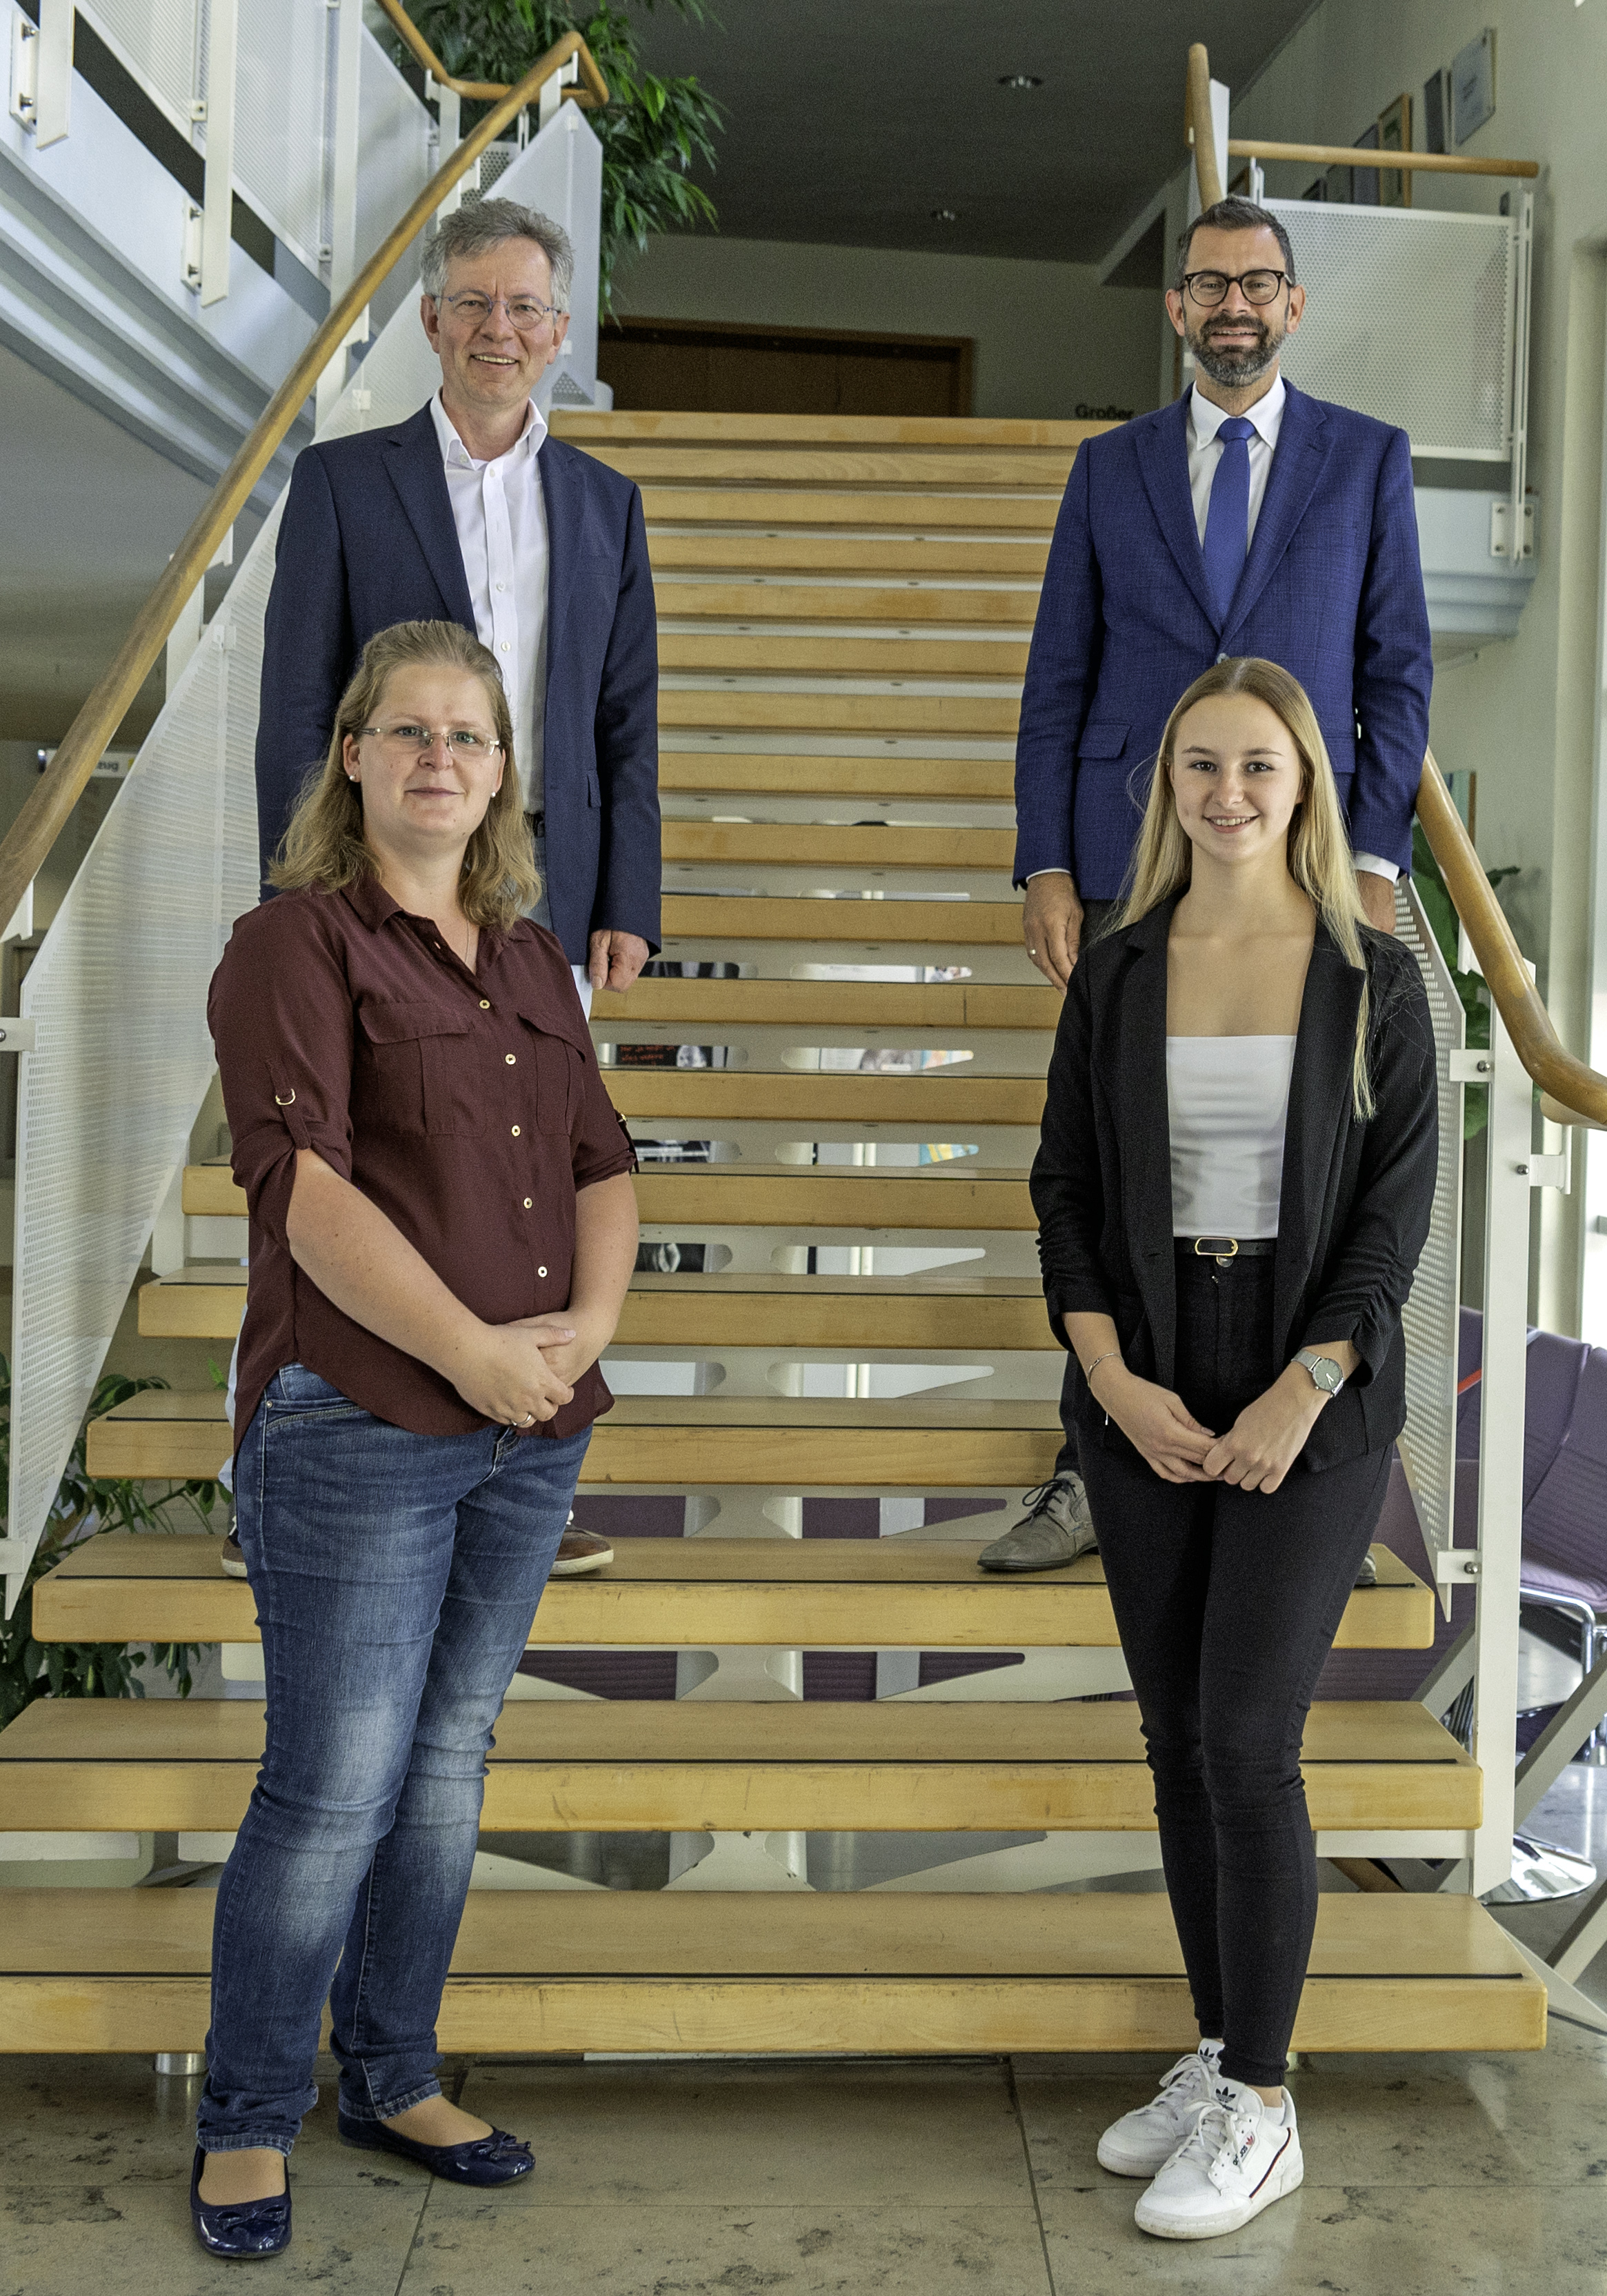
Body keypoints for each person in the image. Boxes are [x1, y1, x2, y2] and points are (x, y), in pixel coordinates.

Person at [191, 620, 639, 2259]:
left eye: (470, 735)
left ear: (502, 771)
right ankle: (245, 2115)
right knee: (330, 1787)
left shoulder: (528, 960)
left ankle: (388, 2072)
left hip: (529, 1428)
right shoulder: (289, 944)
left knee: (445, 1769)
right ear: (353, 757)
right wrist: (472, 1354)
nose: (441, 758)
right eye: (408, 732)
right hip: (362, 1422)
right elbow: (303, 1197)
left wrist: (580, 1341)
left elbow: (602, 1158)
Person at [1030, 656, 1437, 2240]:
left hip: (1306, 1406)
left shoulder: (1369, 973)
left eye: (1255, 765)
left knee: (1248, 1741)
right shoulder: (1120, 968)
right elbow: (1060, 1186)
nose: (1225, 791)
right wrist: (1108, 1376)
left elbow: (1391, 1212)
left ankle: (1261, 2103)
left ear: (1301, 785)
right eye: (1198, 764)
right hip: (1143, 1396)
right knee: (1176, 1742)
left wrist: (1304, 1389)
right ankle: (1214, 2049)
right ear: (1167, 785)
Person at [984, 193, 1432, 1575]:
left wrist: (1364, 858)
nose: (1232, 304)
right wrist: (1049, 860)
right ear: (1174, 308)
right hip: (1138, 860)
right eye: (1206, 284)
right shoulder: (1109, 468)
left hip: (1295, 868)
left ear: (1294, 305)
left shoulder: (1364, 461)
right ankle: (1095, 1458)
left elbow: (1394, 672)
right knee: (1131, 1175)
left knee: (1282, 1166)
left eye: (1258, 283)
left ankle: (1294, 1460)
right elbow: (1058, 675)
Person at [254, 197, 660, 1009]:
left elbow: (626, 717)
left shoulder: (605, 505)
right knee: (395, 1119)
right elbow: (299, 704)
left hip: (556, 879)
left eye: (523, 308)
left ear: (558, 331)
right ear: (432, 319)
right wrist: (298, 895)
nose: (497, 329)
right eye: (472, 303)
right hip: (385, 867)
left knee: (539, 1130)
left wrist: (629, 895)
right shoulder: (342, 483)